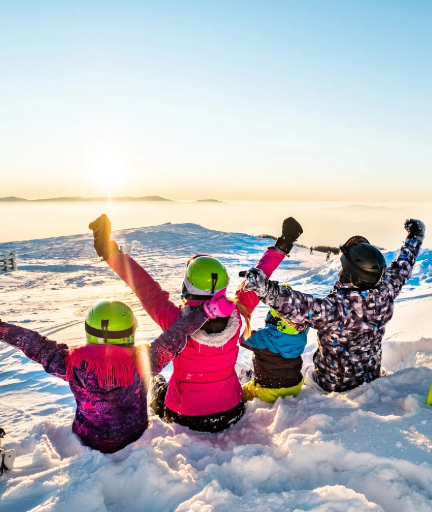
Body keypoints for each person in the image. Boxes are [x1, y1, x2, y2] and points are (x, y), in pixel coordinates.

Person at [89, 215, 303, 432]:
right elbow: (259, 277)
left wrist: (110, 252)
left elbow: (145, 287)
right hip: (231, 410)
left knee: (158, 386)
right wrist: (283, 244)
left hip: (185, 416)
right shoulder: (238, 313)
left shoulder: (175, 321)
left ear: (188, 285)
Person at [0, 295, 233, 453]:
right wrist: (205, 312)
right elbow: (174, 337)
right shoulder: (143, 361)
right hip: (134, 434)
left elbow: (33, 343)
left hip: (89, 438)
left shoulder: (70, 362)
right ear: (130, 332)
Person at [242, 219, 425, 393]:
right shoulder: (385, 291)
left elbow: (300, 306)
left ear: (350, 274)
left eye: (343, 268)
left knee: (302, 374)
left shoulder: (338, 308)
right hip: (369, 376)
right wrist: (415, 237)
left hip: (331, 384)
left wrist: (266, 289)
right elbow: (403, 266)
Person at [241, 284, 310, 403]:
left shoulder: (263, 337)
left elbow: (241, 338)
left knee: (242, 392)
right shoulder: (301, 335)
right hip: (294, 387)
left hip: (267, 390)